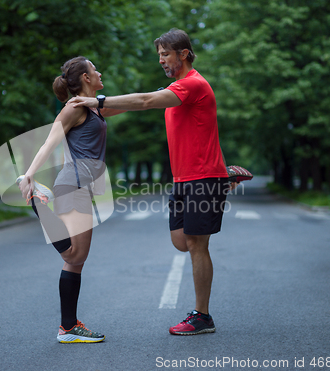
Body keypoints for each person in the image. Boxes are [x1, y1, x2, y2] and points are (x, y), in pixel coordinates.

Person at [69, 28, 234, 336]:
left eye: (165, 54)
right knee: (181, 242)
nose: (161, 60)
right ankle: (226, 175)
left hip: (202, 177)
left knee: (198, 244)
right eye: (159, 55)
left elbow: (145, 100)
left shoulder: (193, 85)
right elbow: (122, 107)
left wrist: (99, 100)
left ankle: (202, 316)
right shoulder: (175, 90)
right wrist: (88, 105)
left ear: (183, 54)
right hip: (184, 178)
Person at [18, 56, 124, 343]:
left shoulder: (94, 108)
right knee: (75, 255)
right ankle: (39, 202)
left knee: (75, 261)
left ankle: (68, 327)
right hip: (73, 184)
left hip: (82, 185)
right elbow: (48, 141)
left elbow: (131, 103)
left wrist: (170, 92)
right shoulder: (73, 108)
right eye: (95, 69)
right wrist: (29, 174)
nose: (100, 72)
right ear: (86, 78)